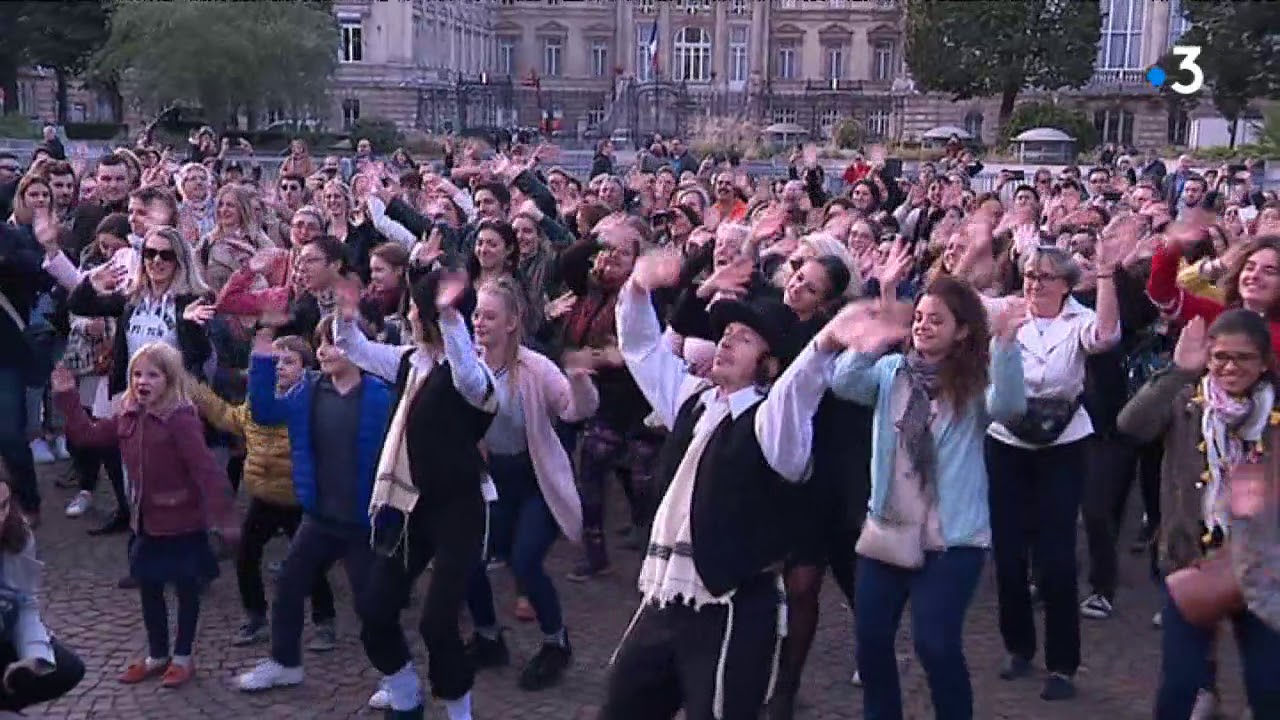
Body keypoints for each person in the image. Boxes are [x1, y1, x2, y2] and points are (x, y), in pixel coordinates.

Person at [598, 250, 832, 720]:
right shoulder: (693, 400)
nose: (724, 343)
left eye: (743, 339)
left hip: (731, 608)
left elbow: (797, 390)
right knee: (621, 707)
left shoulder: (772, 423)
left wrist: (829, 342)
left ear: (768, 365)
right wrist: (640, 287)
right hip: (666, 596)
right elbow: (642, 349)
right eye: (724, 335)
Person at [822, 278, 1027, 720]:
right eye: (919, 318)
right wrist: (871, 340)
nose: (923, 326)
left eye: (937, 320)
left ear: (963, 330)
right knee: (871, 642)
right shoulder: (891, 372)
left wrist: (1007, 344)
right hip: (889, 529)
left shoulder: (973, 384)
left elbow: (1009, 408)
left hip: (952, 538)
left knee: (935, 644)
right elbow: (843, 383)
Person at [335, 270, 497, 720]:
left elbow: (464, 371)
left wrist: (448, 316)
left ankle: (459, 713)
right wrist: (345, 317)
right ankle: (405, 695)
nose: (406, 314)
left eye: (413, 308)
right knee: (375, 608)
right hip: (411, 505)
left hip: (460, 509)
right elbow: (357, 350)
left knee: (437, 622)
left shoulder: (472, 375)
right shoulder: (411, 362)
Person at [1117, 312, 1280, 719]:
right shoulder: (1186, 403)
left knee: (1268, 686)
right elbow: (1131, 425)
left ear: (1263, 363)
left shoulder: (1275, 418)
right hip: (1191, 558)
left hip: (1263, 569)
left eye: (1243, 358)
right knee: (1180, 686)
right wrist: (1178, 370)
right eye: (1221, 356)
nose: (1230, 367)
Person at [51, 343, 236, 688]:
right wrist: (68, 398)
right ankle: (157, 654)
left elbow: (205, 469)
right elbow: (87, 435)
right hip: (146, 523)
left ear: (169, 379)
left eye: (153, 374)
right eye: (137, 374)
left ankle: (183, 658)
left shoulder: (180, 418)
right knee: (149, 587)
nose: (142, 381)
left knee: (185, 589)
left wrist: (223, 518)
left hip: (183, 523)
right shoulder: (128, 413)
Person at [234, 316, 390, 694]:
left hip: (362, 522)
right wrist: (262, 356)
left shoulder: (380, 395)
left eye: (334, 342)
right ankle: (286, 663)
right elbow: (265, 412)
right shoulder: (310, 389)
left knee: (372, 604)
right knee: (288, 587)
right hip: (319, 517)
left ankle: (394, 676)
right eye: (320, 342)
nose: (323, 350)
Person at [460, 277, 599, 691]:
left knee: (525, 561)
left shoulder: (536, 367)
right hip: (492, 479)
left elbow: (576, 410)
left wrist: (579, 380)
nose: (479, 323)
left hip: (535, 481)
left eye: (489, 316)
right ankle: (488, 637)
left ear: (512, 322)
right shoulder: (468, 362)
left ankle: (556, 643)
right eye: (476, 315)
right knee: (468, 560)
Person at [184, 336, 337, 650]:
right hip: (264, 497)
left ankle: (325, 623)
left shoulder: (313, 403)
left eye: (289, 361)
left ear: (306, 368)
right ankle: (256, 618)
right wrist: (195, 390)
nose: (280, 367)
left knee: (311, 565)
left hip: (299, 499)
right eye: (276, 361)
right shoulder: (258, 402)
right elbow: (228, 417)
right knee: (246, 558)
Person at [0, 475, 85, 716]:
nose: (0, 518)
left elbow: (25, 601)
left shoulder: (18, 533)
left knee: (65, 668)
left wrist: (34, 655)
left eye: (4, 505)